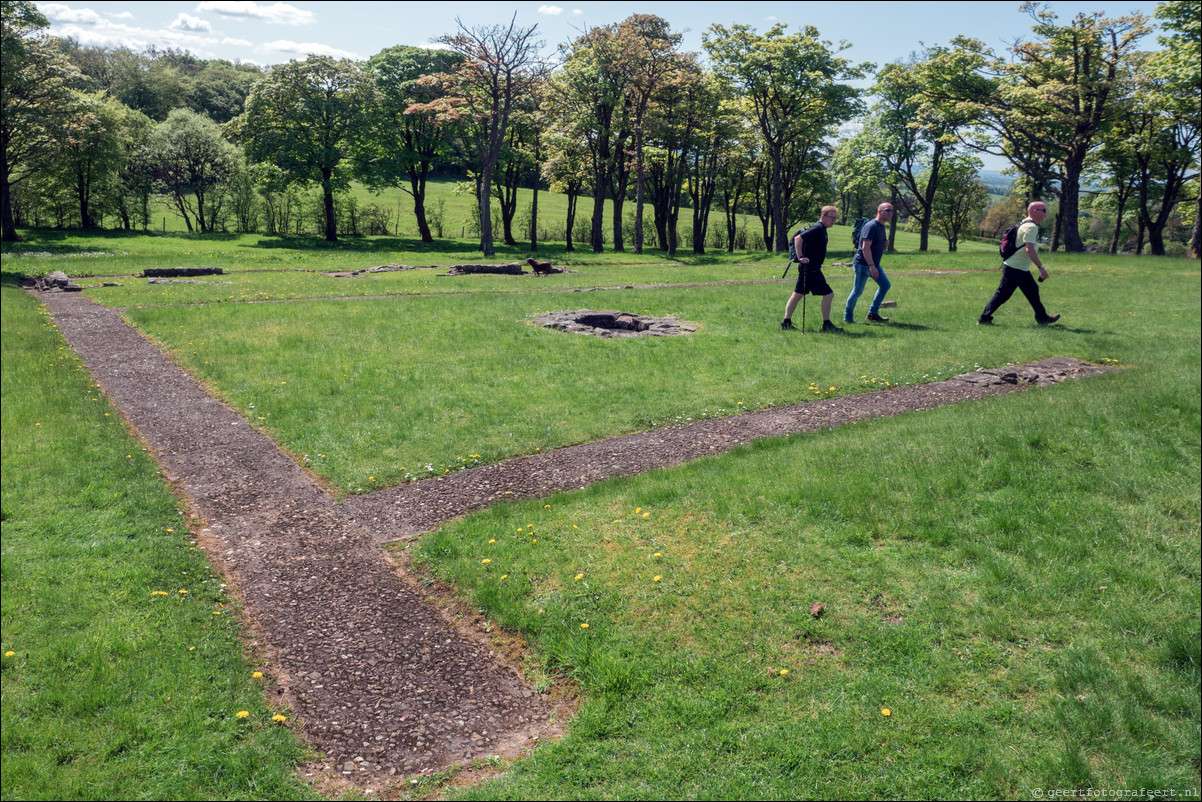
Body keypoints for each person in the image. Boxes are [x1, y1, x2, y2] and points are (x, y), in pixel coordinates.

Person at [978, 201, 1061, 326]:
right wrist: (1041, 268)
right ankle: (984, 319)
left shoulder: (1025, 223)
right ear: (1034, 211)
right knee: (1002, 295)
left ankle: (1042, 318)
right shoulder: (1031, 227)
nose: (1046, 213)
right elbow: (1029, 249)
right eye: (1043, 210)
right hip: (1014, 268)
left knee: (1032, 290)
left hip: (1020, 268)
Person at [782, 206, 841, 333]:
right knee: (828, 294)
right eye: (832, 218)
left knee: (798, 294)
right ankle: (826, 324)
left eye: (835, 218)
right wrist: (800, 257)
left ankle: (786, 322)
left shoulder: (821, 228)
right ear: (823, 216)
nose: (834, 221)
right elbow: (798, 239)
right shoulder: (818, 228)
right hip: (811, 268)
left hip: (808, 268)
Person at [845, 202, 893, 324]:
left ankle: (873, 313)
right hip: (863, 264)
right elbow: (865, 248)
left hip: (873, 264)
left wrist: (884, 243)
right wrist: (871, 266)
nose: (890, 213)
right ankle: (848, 318)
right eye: (888, 210)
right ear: (880, 211)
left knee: (885, 285)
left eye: (892, 210)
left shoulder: (881, 226)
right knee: (857, 291)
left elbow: (875, 243)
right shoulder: (871, 226)